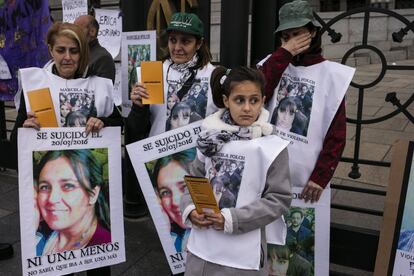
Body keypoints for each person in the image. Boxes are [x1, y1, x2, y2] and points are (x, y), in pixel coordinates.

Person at [10, 22, 121, 276]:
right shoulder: (34, 84)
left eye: (74, 50)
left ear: (82, 52)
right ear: (50, 50)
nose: (67, 57)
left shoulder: (100, 86)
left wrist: (103, 121)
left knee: (97, 263)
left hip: (83, 190)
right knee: (60, 265)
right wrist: (26, 128)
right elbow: (17, 137)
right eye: (61, 50)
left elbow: (117, 124)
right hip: (57, 191)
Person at [180, 66, 292, 275]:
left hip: (243, 255)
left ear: (263, 100)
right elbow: (193, 180)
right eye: (239, 100)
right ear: (225, 101)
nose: (247, 108)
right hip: (203, 248)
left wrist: (233, 219)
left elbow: (279, 199)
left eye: (254, 100)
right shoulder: (209, 138)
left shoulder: (272, 146)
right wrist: (190, 210)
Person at [260, 0, 354, 203]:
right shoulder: (272, 62)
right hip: (265, 171)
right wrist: (283, 54)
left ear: (312, 32)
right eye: (286, 37)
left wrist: (320, 177)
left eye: (297, 35)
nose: (292, 42)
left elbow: (336, 133)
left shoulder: (331, 75)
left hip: (304, 178)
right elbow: (259, 93)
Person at [125, 12, 217, 217]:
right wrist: (138, 107)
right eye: (173, 40)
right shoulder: (149, 73)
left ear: (199, 43)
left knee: (199, 221)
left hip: (198, 166)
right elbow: (136, 129)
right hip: (161, 166)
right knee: (167, 228)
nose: (177, 47)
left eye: (185, 41)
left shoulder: (214, 76)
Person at [33, 149, 110, 255]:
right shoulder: (39, 236)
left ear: (93, 194)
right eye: (45, 187)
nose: (52, 199)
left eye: (68, 186)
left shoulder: (104, 243)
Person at [150, 150, 195, 252]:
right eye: (165, 192)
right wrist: (165, 230)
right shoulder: (176, 239)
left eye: (185, 187)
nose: (175, 202)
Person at [74, 15, 116, 83]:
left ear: (92, 31)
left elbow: (103, 91)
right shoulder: (76, 54)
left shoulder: (103, 58)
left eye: (78, 29)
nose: (74, 34)